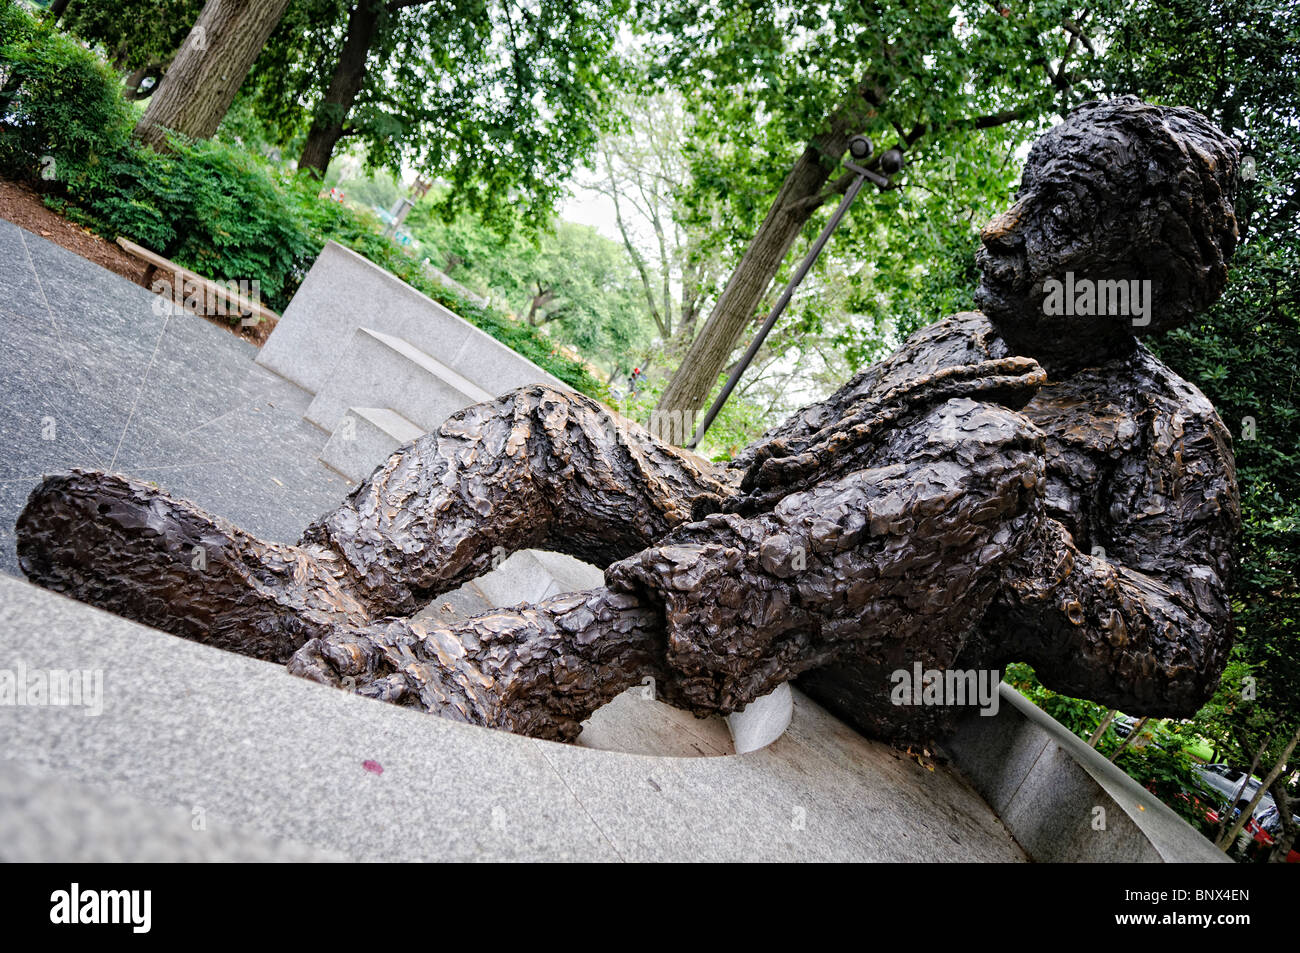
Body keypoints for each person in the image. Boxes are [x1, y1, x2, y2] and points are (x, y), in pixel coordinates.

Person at [17, 97, 1241, 743]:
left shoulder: (1167, 428)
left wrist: (1019, 539)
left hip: (908, 666)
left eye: (1055, 208)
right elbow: (771, 472)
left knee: (987, 467)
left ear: (1136, 263)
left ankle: (538, 665)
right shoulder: (954, 344)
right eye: (1020, 190)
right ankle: (320, 585)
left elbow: (1179, 653)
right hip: (760, 549)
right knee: (555, 428)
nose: (998, 226)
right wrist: (668, 477)